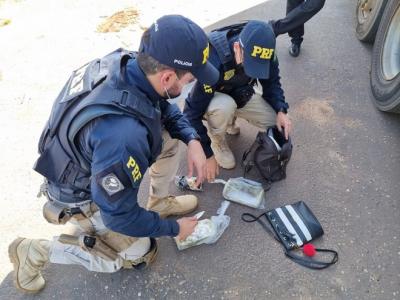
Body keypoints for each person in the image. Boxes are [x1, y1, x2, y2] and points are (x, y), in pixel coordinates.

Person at [8, 15, 219, 293]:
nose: (190, 85)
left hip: (86, 160)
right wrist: (175, 230)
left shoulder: (130, 62)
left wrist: (191, 138)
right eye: (189, 79)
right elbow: (119, 216)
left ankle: (157, 202)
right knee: (138, 253)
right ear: (167, 76)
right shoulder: (123, 138)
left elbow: (161, 105)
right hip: (80, 195)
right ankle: (35, 251)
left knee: (171, 140)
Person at [184, 20, 292, 182]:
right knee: (225, 106)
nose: (254, 70)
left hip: (242, 91)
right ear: (237, 48)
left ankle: (231, 121)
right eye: (251, 65)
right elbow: (190, 113)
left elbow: (272, 83)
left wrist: (281, 109)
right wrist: (207, 153)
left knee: (273, 122)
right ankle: (218, 141)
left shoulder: (265, 48)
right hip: (215, 99)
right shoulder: (213, 59)